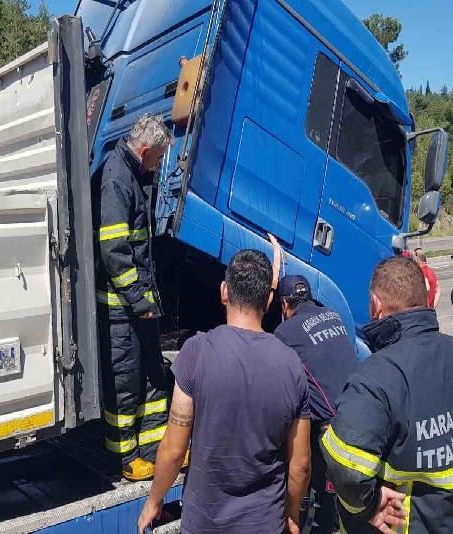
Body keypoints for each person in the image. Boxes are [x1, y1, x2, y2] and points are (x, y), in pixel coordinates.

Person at [322, 256, 453, 534]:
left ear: (375, 305)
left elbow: (346, 467)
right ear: (425, 299)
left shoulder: (374, 377)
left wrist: (370, 504)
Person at [138, 250, 311, 534]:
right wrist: (292, 514)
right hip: (264, 525)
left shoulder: (196, 352)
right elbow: (300, 465)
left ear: (223, 291)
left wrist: (154, 501)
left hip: (204, 524)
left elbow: (173, 448)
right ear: (269, 301)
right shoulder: (292, 365)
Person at [94, 114, 173, 481]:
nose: (157, 166)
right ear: (144, 151)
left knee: (154, 377)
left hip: (139, 305)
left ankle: (155, 450)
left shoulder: (131, 174)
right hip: (123, 309)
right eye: (157, 158)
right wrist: (139, 300)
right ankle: (126, 461)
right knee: (125, 384)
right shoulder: (116, 178)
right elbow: (114, 249)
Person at [273, 274, 358, 534]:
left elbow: (278, 381)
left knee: (324, 492)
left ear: (285, 304)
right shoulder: (332, 314)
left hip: (330, 427)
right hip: (358, 407)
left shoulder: (284, 332)